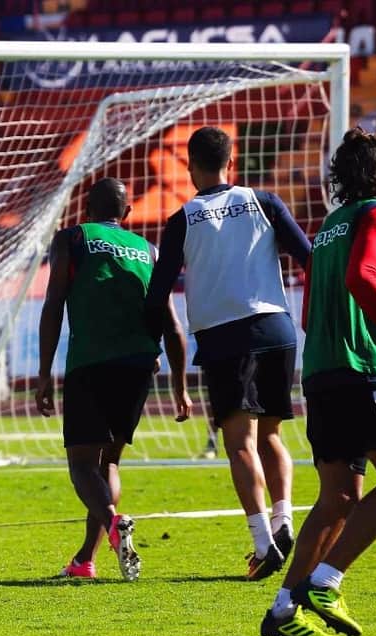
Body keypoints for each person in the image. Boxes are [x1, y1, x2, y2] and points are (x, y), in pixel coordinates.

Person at [145, 126, 311, 581]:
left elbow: (158, 294)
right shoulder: (265, 201)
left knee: (239, 443)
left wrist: (150, 344)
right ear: (231, 163)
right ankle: (283, 520)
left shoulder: (183, 218)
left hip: (224, 337)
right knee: (272, 435)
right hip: (276, 328)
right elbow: (309, 256)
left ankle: (262, 543)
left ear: (190, 167)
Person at [36, 178, 192, 581]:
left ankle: (113, 523)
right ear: (127, 213)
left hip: (91, 362)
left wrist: (44, 373)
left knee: (82, 466)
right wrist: (180, 386)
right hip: (139, 365)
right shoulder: (148, 250)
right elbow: (172, 324)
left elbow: (53, 304)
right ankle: (85, 560)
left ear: (86, 211)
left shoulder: (73, 238)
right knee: (110, 461)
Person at [261, 128, 376, 636]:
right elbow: (362, 277)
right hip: (359, 369)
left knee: (338, 498)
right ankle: (326, 580)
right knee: (340, 498)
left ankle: (283, 609)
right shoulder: (373, 214)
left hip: (322, 372)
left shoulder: (329, 226)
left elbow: (308, 312)